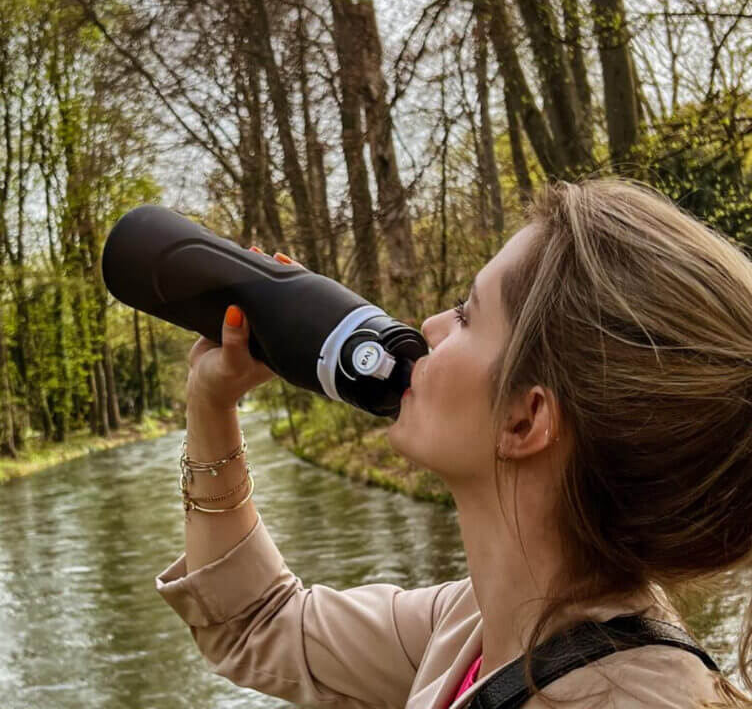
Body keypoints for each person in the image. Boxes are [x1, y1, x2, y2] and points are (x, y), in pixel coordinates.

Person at [156, 178, 752, 708]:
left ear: (525, 420)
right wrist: (211, 404)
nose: (430, 328)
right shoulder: (477, 627)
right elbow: (259, 625)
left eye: (466, 315)